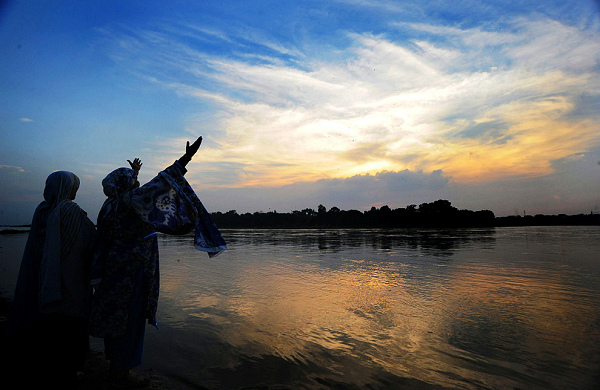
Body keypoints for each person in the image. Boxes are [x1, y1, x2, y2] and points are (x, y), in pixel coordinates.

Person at [89, 136, 226, 387]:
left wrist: (134, 171)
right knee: (130, 322)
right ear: (128, 186)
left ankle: (114, 368)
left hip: (112, 272)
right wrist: (187, 158)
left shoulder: (109, 206)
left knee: (115, 319)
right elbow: (164, 179)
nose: (138, 184)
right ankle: (123, 374)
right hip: (133, 273)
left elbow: (102, 240)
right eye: (134, 181)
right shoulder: (134, 203)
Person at [5, 171, 96, 388]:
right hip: (69, 278)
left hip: (41, 273)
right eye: (74, 186)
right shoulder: (70, 211)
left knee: (47, 323)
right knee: (69, 329)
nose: (76, 190)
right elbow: (90, 239)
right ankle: (68, 372)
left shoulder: (42, 210)